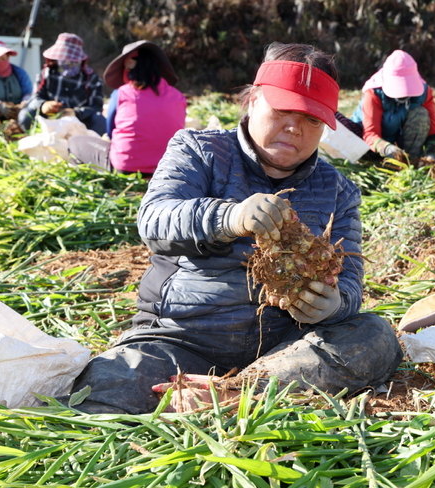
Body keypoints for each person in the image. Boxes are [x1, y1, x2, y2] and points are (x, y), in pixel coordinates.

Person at [67, 42, 403, 414]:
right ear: (253, 100)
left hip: (285, 352)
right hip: (180, 341)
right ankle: (247, 401)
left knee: (376, 337)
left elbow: (351, 279)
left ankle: (237, 392)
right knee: (102, 390)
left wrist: (333, 306)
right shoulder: (199, 149)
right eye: (283, 109)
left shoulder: (339, 190)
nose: (294, 127)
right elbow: (154, 218)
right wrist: (228, 218)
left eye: (311, 119)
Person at [67, 40, 187, 178]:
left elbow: (110, 131)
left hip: (127, 168)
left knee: (74, 142)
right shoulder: (178, 96)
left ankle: (88, 186)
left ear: (129, 68)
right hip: (166, 171)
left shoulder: (122, 93)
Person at [341, 50, 435, 162]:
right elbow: (370, 134)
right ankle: (385, 162)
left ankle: (411, 160)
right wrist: (387, 149)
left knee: (420, 114)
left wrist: (431, 154)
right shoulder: (374, 93)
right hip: (371, 146)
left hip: (401, 140)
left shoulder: (425, 92)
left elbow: (434, 132)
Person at [18, 33, 105, 135]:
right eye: (64, 61)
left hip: (79, 122)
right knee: (25, 115)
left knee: (99, 121)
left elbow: (96, 106)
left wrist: (76, 113)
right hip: (50, 120)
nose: (68, 64)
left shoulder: (91, 78)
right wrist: (43, 105)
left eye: (72, 62)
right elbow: (33, 98)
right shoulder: (47, 73)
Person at [0, 39, 33, 123]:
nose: (0, 62)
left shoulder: (19, 73)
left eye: (2, 58)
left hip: (19, 113)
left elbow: (28, 93)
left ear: (8, 56)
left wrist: (23, 105)